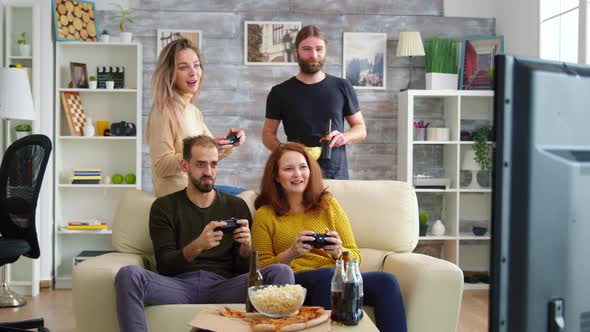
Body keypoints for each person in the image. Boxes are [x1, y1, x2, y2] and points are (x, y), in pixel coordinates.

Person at [115, 135, 295, 332]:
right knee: (128, 274)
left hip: (224, 286)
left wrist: (245, 248)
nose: (208, 172)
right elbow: (165, 265)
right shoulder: (164, 207)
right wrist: (197, 245)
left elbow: (243, 271)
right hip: (178, 286)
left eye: (213, 164)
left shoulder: (236, 206)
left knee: (281, 272)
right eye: (200, 164)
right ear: (185, 166)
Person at [251, 142, 407, 332]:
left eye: (303, 167)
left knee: (386, 281)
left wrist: (338, 252)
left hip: (335, 278)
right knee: (326, 276)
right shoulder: (265, 214)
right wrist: (292, 253)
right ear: (276, 176)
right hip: (297, 282)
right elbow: (261, 270)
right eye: (288, 169)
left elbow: (356, 256)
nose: (298, 174)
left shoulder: (328, 204)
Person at [262, 25, 367, 179]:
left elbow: (360, 129)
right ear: (296, 51)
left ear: (325, 52)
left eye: (319, 49)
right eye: (307, 49)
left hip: (335, 175)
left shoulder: (342, 86)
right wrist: (283, 151)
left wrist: (344, 137)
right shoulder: (279, 92)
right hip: (296, 176)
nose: (313, 55)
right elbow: (268, 134)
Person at [146, 38, 246, 197]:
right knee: (247, 199)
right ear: (170, 72)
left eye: (196, 65)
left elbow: (209, 156)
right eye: (184, 67)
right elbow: (161, 166)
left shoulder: (192, 111)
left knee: (250, 197)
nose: (194, 72)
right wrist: (197, 155)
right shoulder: (163, 110)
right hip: (178, 196)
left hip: (197, 191)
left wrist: (229, 143)